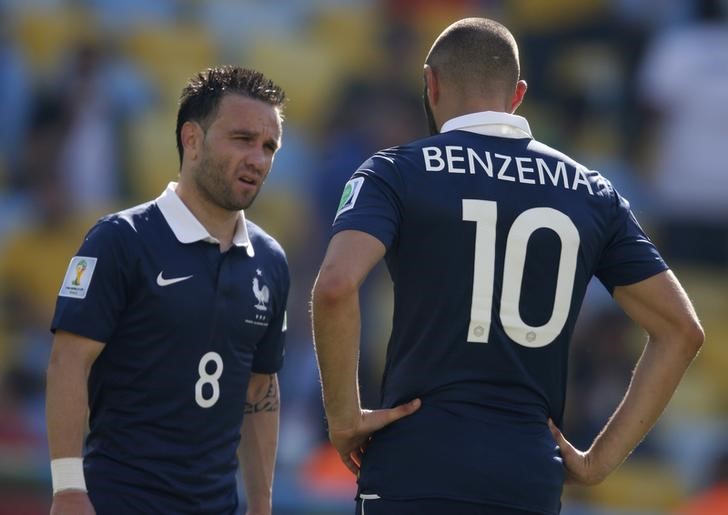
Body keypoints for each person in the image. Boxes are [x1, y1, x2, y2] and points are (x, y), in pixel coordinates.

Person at [311, 18, 704, 515]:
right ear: (517, 95)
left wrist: (343, 418)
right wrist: (596, 462)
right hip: (526, 474)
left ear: (430, 83)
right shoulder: (592, 192)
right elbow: (681, 330)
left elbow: (335, 286)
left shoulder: (396, 170)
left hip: (416, 462)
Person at [46, 66, 290, 515]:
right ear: (191, 140)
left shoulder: (270, 261)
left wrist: (261, 506)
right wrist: (67, 488)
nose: (258, 158)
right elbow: (68, 361)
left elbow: (259, 392)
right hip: (116, 501)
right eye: (242, 139)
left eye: (268, 146)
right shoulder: (119, 239)